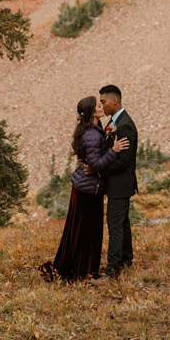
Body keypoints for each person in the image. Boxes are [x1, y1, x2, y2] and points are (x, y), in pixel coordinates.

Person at [40, 94, 130, 282]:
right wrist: (114, 151)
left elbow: (92, 161)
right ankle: (82, 270)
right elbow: (95, 164)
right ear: (91, 112)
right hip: (87, 190)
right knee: (87, 231)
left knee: (82, 230)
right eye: (98, 105)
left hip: (85, 188)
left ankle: (81, 267)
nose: (101, 107)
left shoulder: (93, 128)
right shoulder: (91, 134)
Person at [95, 83, 138, 281]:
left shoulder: (126, 125)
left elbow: (124, 161)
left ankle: (112, 269)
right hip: (119, 184)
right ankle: (127, 258)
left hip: (120, 184)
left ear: (115, 100)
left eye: (103, 101)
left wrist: (100, 170)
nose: (101, 105)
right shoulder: (113, 121)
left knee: (114, 225)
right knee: (123, 223)